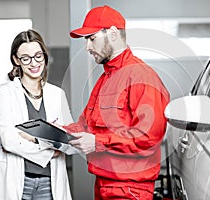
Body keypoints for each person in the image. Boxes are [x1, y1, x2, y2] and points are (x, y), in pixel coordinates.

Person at [65, 5, 170, 199]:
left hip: (129, 190)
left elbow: (148, 138)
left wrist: (97, 142)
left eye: (91, 38)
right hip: (104, 184)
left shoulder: (141, 76)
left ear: (112, 33)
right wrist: (57, 131)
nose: (87, 47)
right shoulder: (105, 78)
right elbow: (86, 125)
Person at [0, 29, 73, 200]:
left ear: (44, 55)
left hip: (50, 182)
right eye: (25, 58)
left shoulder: (57, 95)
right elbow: (9, 141)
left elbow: (71, 142)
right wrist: (50, 148)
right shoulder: (5, 92)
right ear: (16, 60)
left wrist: (32, 138)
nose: (33, 63)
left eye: (38, 56)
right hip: (19, 182)